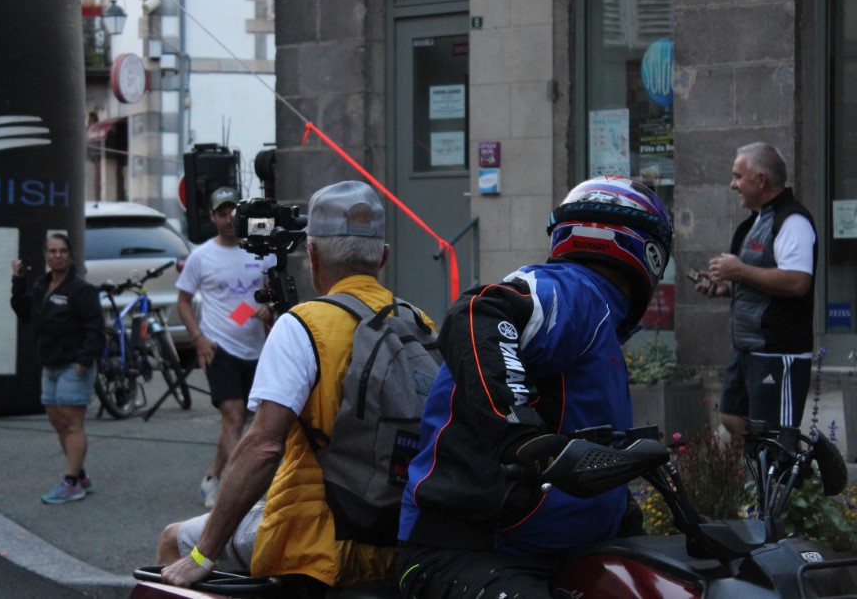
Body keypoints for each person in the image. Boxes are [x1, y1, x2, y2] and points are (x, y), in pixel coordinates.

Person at [397, 176, 673, 599]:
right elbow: (479, 312)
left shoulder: (600, 323)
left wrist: (625, 518)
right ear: (650, 251)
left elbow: (584, 446)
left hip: (541, 553)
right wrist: (518, 429)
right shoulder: (577, 292)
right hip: (465, 551)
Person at [157, 180, 435, 595]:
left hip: (317, 540)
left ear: (313, 255)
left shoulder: (304, 324)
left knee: (173, 539)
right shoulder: (419, 322)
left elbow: (264, 447)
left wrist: (202, 557)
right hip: (402, 535)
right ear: (383, 256)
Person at [695, 142, 817, 440]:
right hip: (747, 347)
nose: (732, 184)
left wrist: (740, 271)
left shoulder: (792, 221)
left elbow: (797, 282)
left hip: (778, 349)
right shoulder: (756, 220)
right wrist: (726, 287)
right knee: (731, 416)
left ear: (760, 180)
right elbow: (758, 280)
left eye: (738, 176)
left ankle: (785, 467)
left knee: (775, 436)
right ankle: (756, 468)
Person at [176, 186, 275, 508]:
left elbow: (270, 294)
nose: (229, 219)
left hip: (255, 349)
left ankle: (212, 477)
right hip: (219, 348)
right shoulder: (201, 257)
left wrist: (267, 307)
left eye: (234, 213)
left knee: (240, 420)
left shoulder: (260, 252)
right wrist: (198, 339)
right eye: (222, 214)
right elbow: (183, 301)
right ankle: (241, 493)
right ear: (212, 217)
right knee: (233, 416)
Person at [10, 233, 104, 504]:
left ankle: (71, 482)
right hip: (49, 364)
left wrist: (84, 360)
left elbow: (95, 329)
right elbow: (25, 313)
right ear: (45, 256)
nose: (58, 255)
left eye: (63, 251)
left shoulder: (81, 290)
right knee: (58, 422)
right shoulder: (42, 285)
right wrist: (18, 281)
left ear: (71, 255)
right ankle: (80, 474)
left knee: (73, 424)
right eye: (53, 251)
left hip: (73, 365)